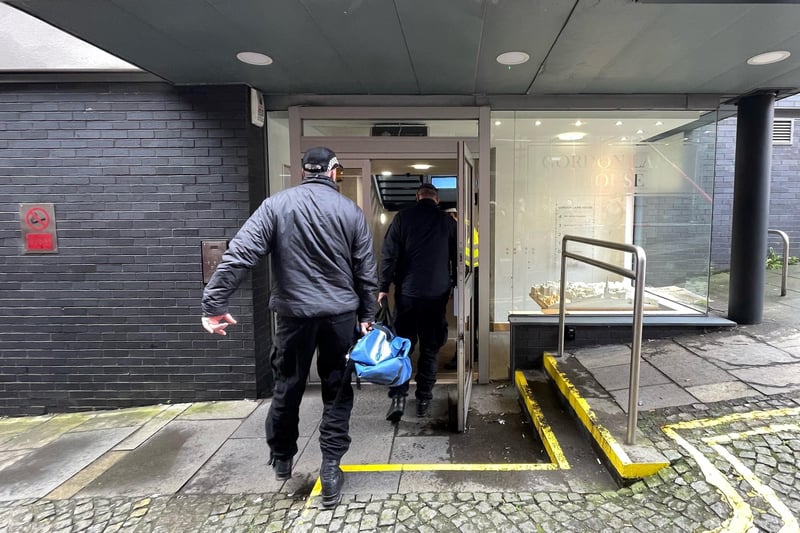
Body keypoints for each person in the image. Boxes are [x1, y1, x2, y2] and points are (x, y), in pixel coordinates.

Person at [201, 146, 378, 509]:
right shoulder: (350, 212)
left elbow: (240, 254)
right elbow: (366, 270)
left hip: (293, 315)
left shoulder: (275, 206)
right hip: (340, 317)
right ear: (332, 173)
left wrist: (214, 304)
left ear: (304, 172)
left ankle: (282, 457)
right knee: (337, 388)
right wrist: (367, 316)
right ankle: (330, 468)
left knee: (288, 384)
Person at [378, 183, 457, 421]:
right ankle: (424, 399)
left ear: (417, 196)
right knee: (430, 349)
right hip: (436, 294)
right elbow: (458, 256)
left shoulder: (403, 218)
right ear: (437, 199)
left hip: (408, 294)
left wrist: (383, 287)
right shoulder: (447, 222)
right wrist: (454, 282)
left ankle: (398, 397)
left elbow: (389, 255)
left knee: (402, 347)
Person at [444, 207, 479, 370]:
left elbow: (455, 256)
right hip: (473, 274)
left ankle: (460, 356)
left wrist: (453, 283)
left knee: (462, 317)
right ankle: (475, 350)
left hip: (464, 275)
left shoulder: (459, 229)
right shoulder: (468, 226)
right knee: (472, 315)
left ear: (453, 215)